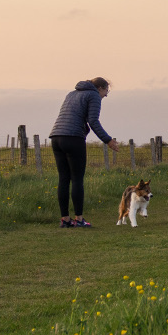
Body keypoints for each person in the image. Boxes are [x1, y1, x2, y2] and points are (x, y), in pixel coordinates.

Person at [49, 77, 118, 228]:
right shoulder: (93, 95)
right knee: (77, 179)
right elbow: (93, 121)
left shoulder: (71, 94)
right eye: (106, 92)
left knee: (63, 179)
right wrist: (108, 140)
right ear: (100, 88)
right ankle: (79, 220)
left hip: (56, 137)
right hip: (73, 137)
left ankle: (65, 220)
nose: (105, 96)